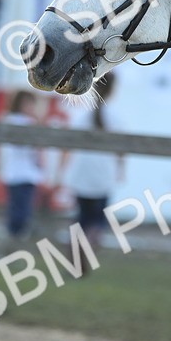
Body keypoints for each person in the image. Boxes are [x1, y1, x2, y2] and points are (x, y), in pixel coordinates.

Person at [57, 73, 124, 267]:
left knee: (81, 219)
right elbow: (122, 150)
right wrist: (120, 171)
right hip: (103, 176)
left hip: (81, 174)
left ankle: (74, 251)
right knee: (97, 222)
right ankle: (87, 250)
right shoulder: (116, 118)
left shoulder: (80, 115)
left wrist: (60, 173)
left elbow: (67, 146)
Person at [0, 90, 44, 256]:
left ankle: (7, 252)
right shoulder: (25, 122)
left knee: (18, 216)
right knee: (19, 218)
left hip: (14, 173)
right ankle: (2, 250)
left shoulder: (8, 120)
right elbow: (35, 150)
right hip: (23, 173)